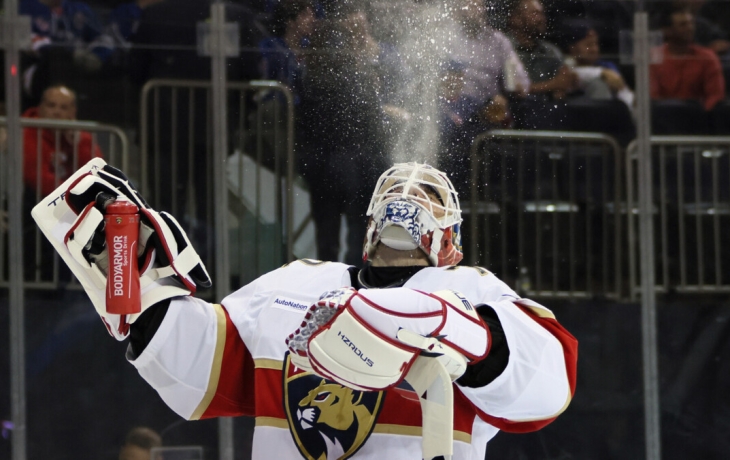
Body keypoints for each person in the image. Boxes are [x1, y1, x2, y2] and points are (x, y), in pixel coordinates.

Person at [37, 160, 577, 459]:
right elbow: (209, 376)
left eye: (431, 201)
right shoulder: (294, 286)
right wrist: (143, 301)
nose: (411, 202)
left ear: (453, 236)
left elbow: (547, 386)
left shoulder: (472, 292)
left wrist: (454, 329)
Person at [22, 84, 102, 197]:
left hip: (72, 196)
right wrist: (71, 195)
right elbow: (35, 175)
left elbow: (96, 170)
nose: (56, 112)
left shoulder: (81, 136)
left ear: (73, 112)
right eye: (51, 105)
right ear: (40, 108)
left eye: (63, 107)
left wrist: (78, 143)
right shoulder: (28, 131)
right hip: (40, 199)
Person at [651, 2, 726, 111]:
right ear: (668, 31)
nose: (690, 28)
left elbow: (715, 96)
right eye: (683, 25)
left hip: (700, 119)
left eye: (691, 23)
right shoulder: (655, 56)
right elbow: (652, 96)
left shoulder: (707, 57)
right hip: (664, 119)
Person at [559, 19, 635, 110]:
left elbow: (624, 94)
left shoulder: (606, 66)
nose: (594, 49)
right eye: (589, 45)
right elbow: (573, 73)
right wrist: (601, 73)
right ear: (572, 48)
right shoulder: (562, 66)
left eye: (596, 44)